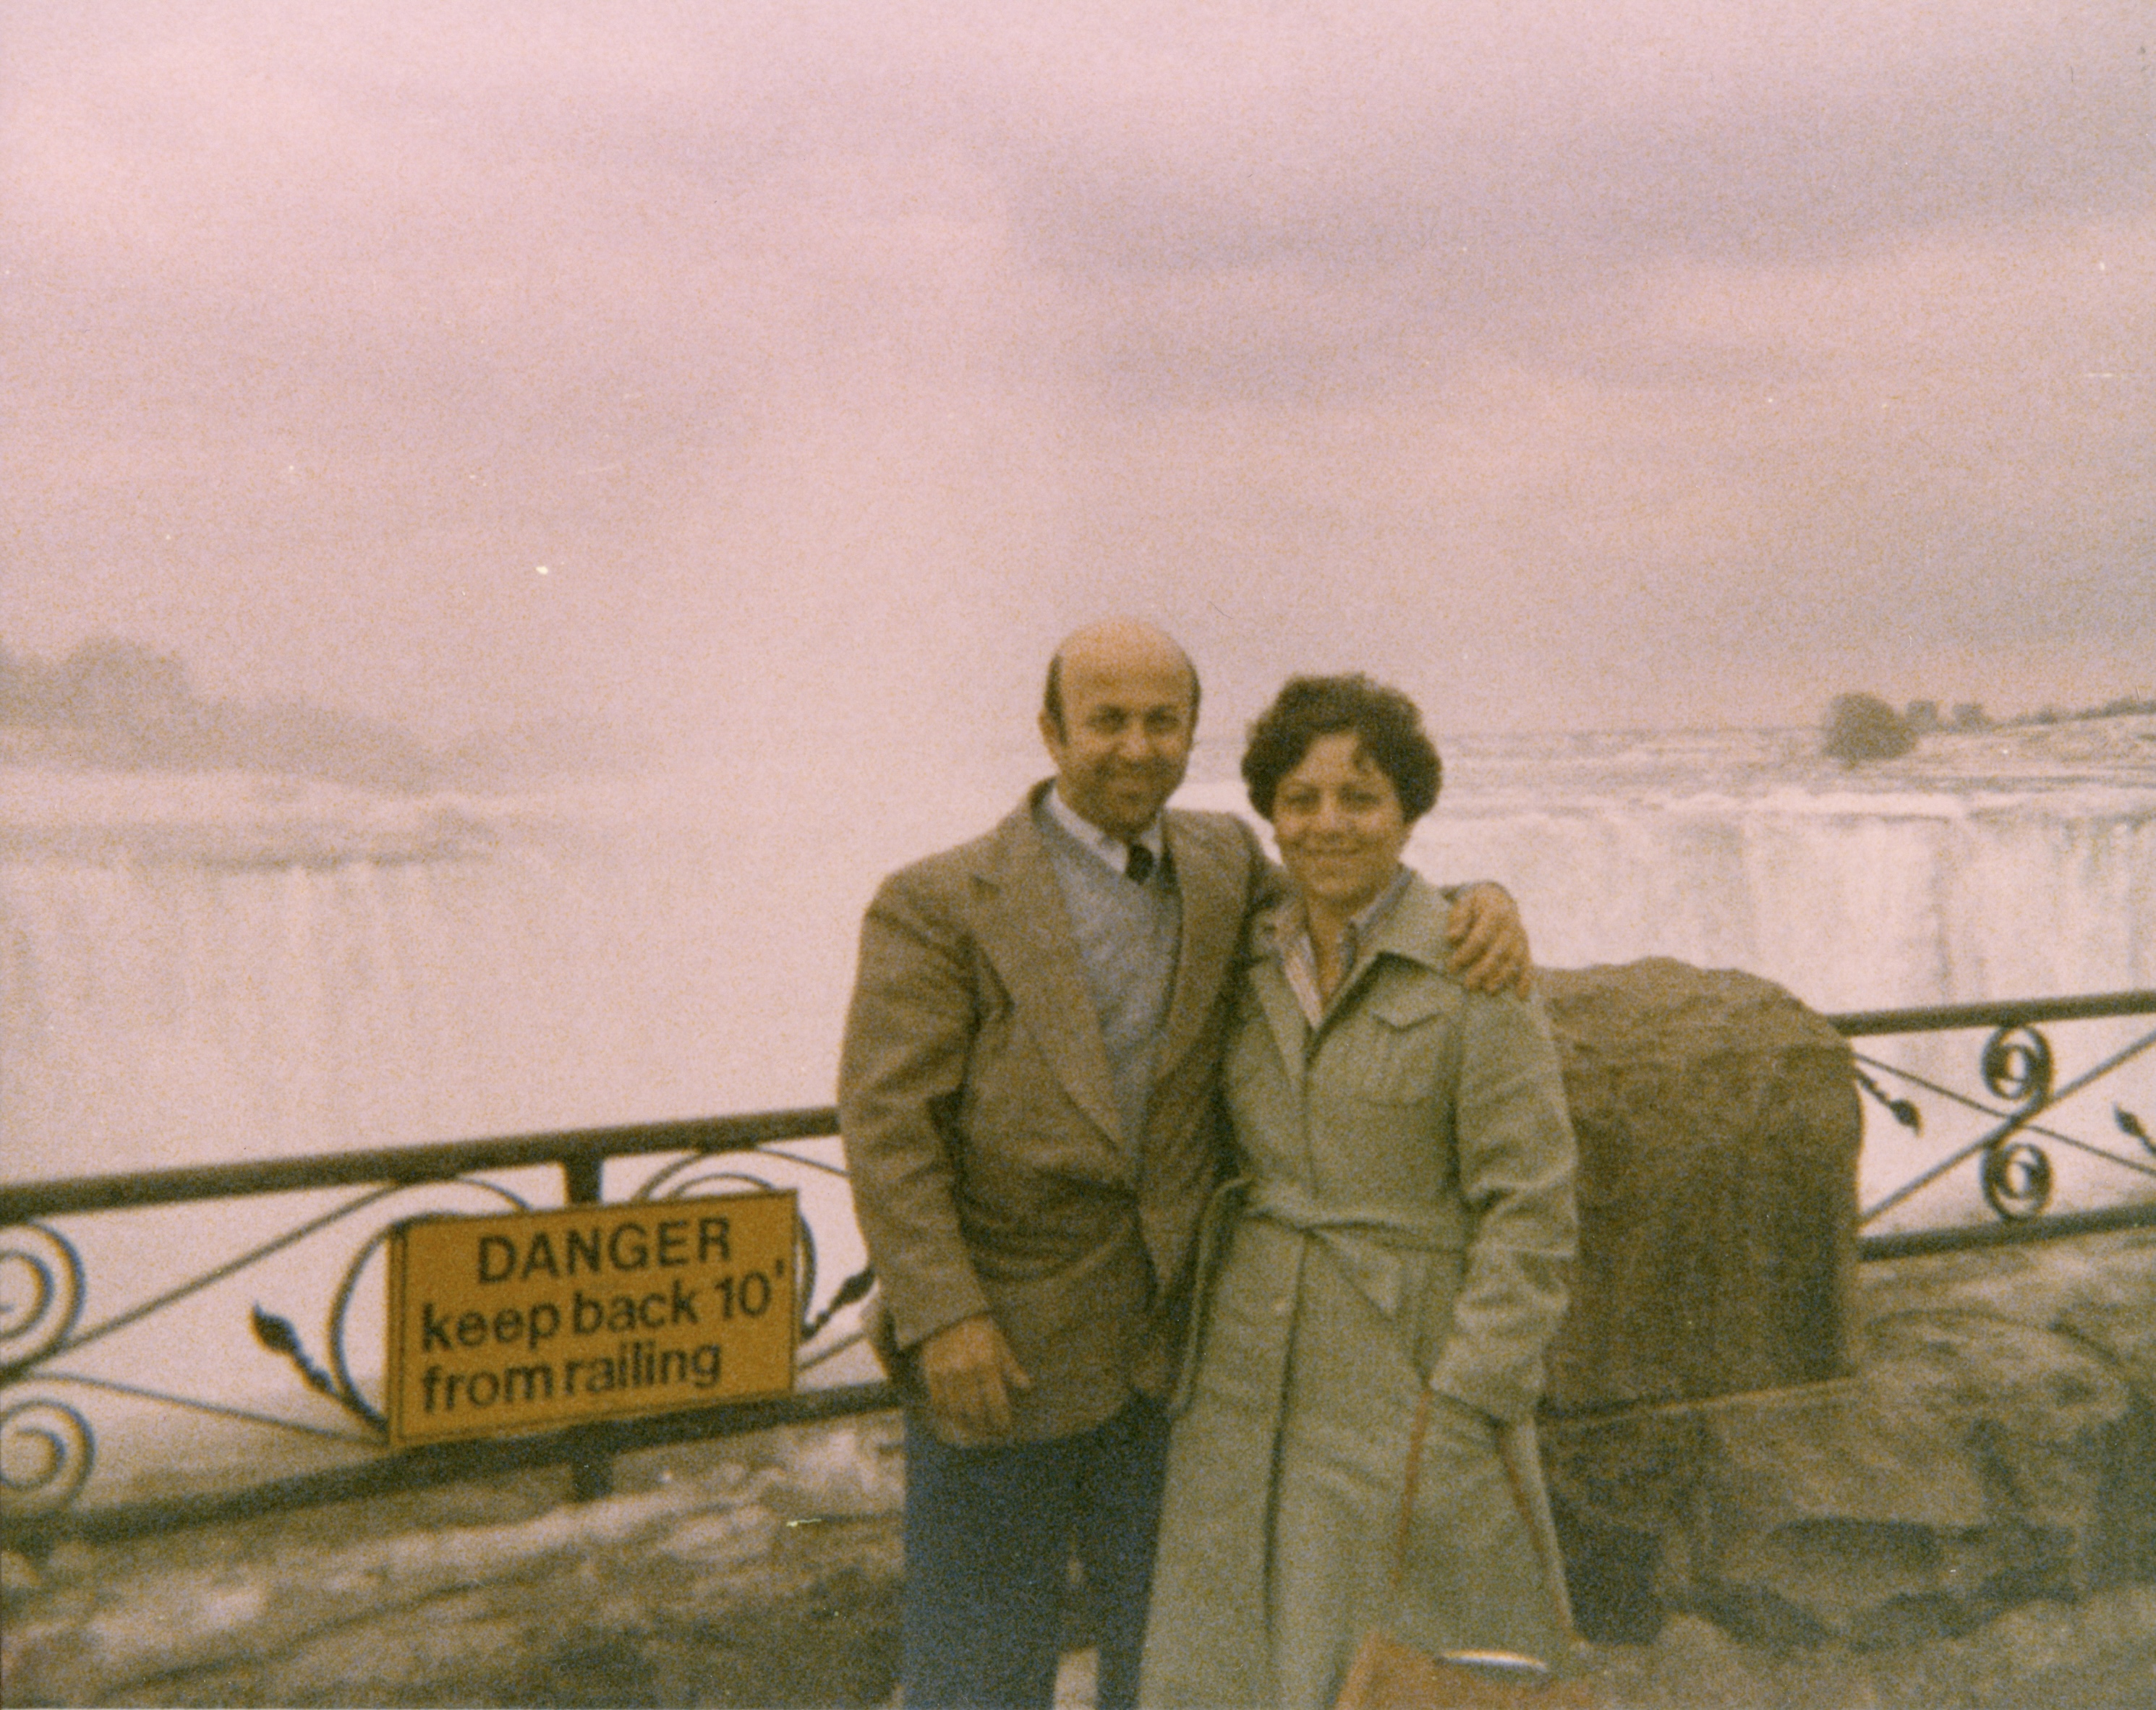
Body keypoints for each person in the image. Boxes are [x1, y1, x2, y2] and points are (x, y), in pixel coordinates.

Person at [837, 623, 1533, 1710]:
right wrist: (940, 1314)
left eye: (1162, 721)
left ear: (1190, 733)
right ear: (1049, 731)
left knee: (1164, 1668)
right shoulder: (939, 900)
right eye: (1105, 719)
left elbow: (1348, 875)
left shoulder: (1220, 864)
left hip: (1177, 1359)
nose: (1134, 745)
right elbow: (887, 1128)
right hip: (996, 1351)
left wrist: (1480, 900)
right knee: (975, 1674)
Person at [1138, 673, 1579, 1710]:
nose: (1327, 823)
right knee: (1244, 1646)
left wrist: (1471, 1394)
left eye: (1359, 797)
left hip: (1408, 1375)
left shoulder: (1473, 968)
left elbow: (1533, 1207)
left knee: (1413, 1664)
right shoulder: (1241, 950)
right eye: (1300, 798)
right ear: (1270, 813)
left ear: (1409, 811)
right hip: (1246, 1371)